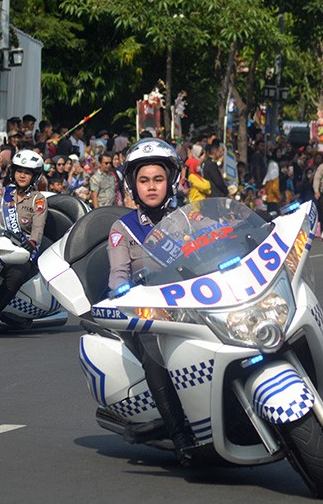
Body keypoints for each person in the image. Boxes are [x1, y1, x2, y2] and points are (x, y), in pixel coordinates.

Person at [107, 138, 196, 465]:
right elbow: (118, 274)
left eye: (158, 179)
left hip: (194, 304)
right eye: (143, 180)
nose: (151, 187)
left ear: (170, 181)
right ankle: (180, 435)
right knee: (155, 357)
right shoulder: (123, 229)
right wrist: (123, 295)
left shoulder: (187, 219)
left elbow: (217, 243)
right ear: (133, 185)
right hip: (149, 313)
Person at [0, 150, 48, 331]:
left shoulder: (38, 200)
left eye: (28, 172)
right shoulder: (5, 193)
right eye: (19, 170)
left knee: (15, 275)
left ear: (35, 176)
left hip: (23, 251)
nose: (22, 175)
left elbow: (38, 229)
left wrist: (31, 243)